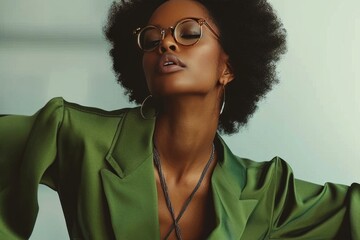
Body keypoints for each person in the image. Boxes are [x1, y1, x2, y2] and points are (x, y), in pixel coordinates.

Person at [0, 0, 359, 239]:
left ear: (228, 67)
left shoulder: (267, 192)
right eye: (151, 38)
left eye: (189, 33)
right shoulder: (74, 134)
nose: (166, 44)